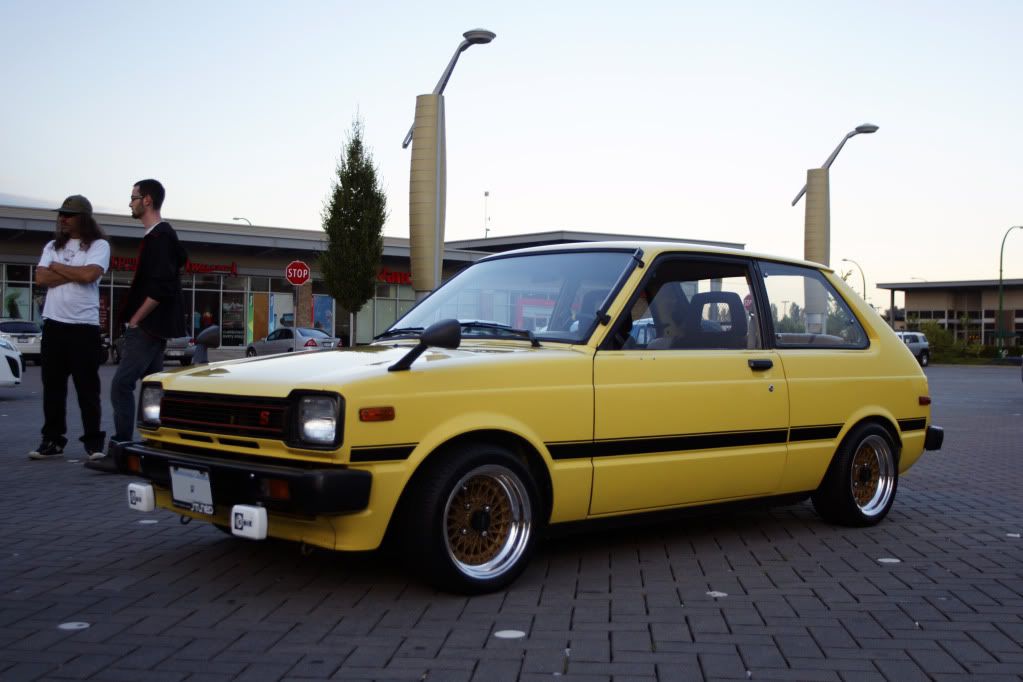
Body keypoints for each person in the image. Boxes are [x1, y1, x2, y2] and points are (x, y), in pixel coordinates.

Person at [88, 179, 187, 472]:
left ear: (147, 200)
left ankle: (121, 449)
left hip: (147, 327)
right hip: (154, 326)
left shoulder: (160, 237)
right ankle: (158, 447)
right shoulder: (162, 236)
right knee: (153, 387)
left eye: (133, 197)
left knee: (121, 385)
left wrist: (136, 319)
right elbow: (177, 265)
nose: (129, 202)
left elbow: (161, 286)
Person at [30, 195, 111, 460]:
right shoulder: (52, 245)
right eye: (61, 214)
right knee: (53, 388)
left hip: (83, 328)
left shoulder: (99, 245)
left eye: (68, 215)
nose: (62, 219)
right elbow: (41, 278)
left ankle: (94, 444)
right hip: (54, 325)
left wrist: (57, 267)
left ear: (83, 218)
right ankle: (52, 441)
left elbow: (89, 275)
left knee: (88, 389)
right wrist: (73, 271)